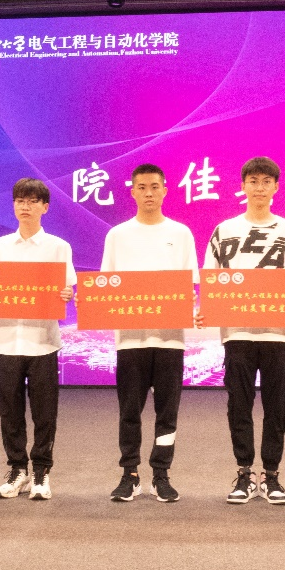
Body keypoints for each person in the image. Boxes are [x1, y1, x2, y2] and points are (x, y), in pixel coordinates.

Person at [199, 157, 285, 506]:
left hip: (278, 334)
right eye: (253, 181)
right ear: (243, 186)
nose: (259, 188)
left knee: (277, 407)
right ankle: (244, 472)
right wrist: (205, 310)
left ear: (276, 187)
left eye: (266, 181)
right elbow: (211, 279)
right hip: (238, 334)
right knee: (239, 405)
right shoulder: (224, 230)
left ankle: (272, 474)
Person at [102, 164, 199, 503]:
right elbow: (107, 284)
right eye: (141, 187)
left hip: (170, 339)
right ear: (132, 192)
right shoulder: (117, 235)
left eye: (154, 187)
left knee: (167, 413)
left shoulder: (181, 233)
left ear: (165, 190)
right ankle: (129, 474)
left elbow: (190, 285)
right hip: (130, 340)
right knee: (129, 411)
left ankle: (161, 474)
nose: (148, 193)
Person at [0, 178, 75, 501]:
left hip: (43, 341)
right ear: (13, 205)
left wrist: (66, 293)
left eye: (33, 201)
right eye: (20, 201)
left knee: (44, 413)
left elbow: (67, 287)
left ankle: (41, 471)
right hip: (7, 340)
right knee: (9, 412)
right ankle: (17, 469)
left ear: (44, 207)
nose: (25, 206)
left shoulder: (58, 247)